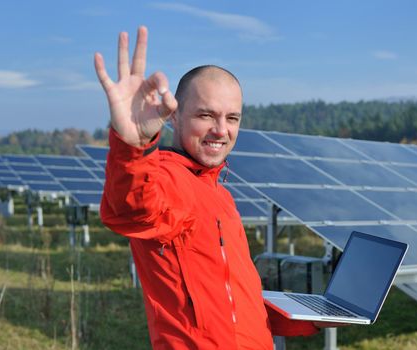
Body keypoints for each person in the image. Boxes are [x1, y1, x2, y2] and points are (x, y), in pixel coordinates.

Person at [95, 26, 323, 349]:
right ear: (175, 117)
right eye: (206, 115)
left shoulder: (221, 196)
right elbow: (132, 210)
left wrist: (307, 317)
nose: (221, 130)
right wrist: (134, 146)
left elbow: (232, 302)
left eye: (232, 118)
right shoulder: (169, 181)